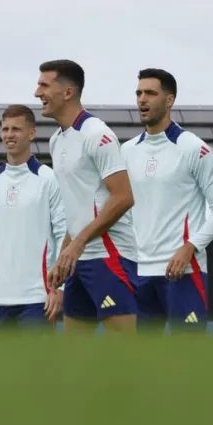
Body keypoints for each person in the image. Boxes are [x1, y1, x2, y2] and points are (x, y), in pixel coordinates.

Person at [121, 68, 213, 333]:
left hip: (183, 272)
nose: (142, 99)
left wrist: (190, 247)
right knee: (143, 363)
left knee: (187, 360)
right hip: (138, 273)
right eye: (138, 93)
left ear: (169, 100)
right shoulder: (125, 151)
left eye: (150, 93)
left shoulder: (194, 148)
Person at [37, 60, 139, 335]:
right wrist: (63, 257)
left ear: (67, 92)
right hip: (78, 261)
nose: (37, 93)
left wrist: (79, 243)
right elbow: (78, 208)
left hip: (109, 256)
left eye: (44, 85)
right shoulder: (56, 140)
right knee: (74, 359)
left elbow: (123, 197)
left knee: (124, 356)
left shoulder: (97, 133)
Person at [0, 104, 67, 331]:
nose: (9, 135)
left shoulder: (49, 179)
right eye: (5, 129)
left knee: (37, 368)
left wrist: (60, 289)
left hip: (38, 300)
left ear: (31, 133)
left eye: (16, 129)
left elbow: (64, 234)